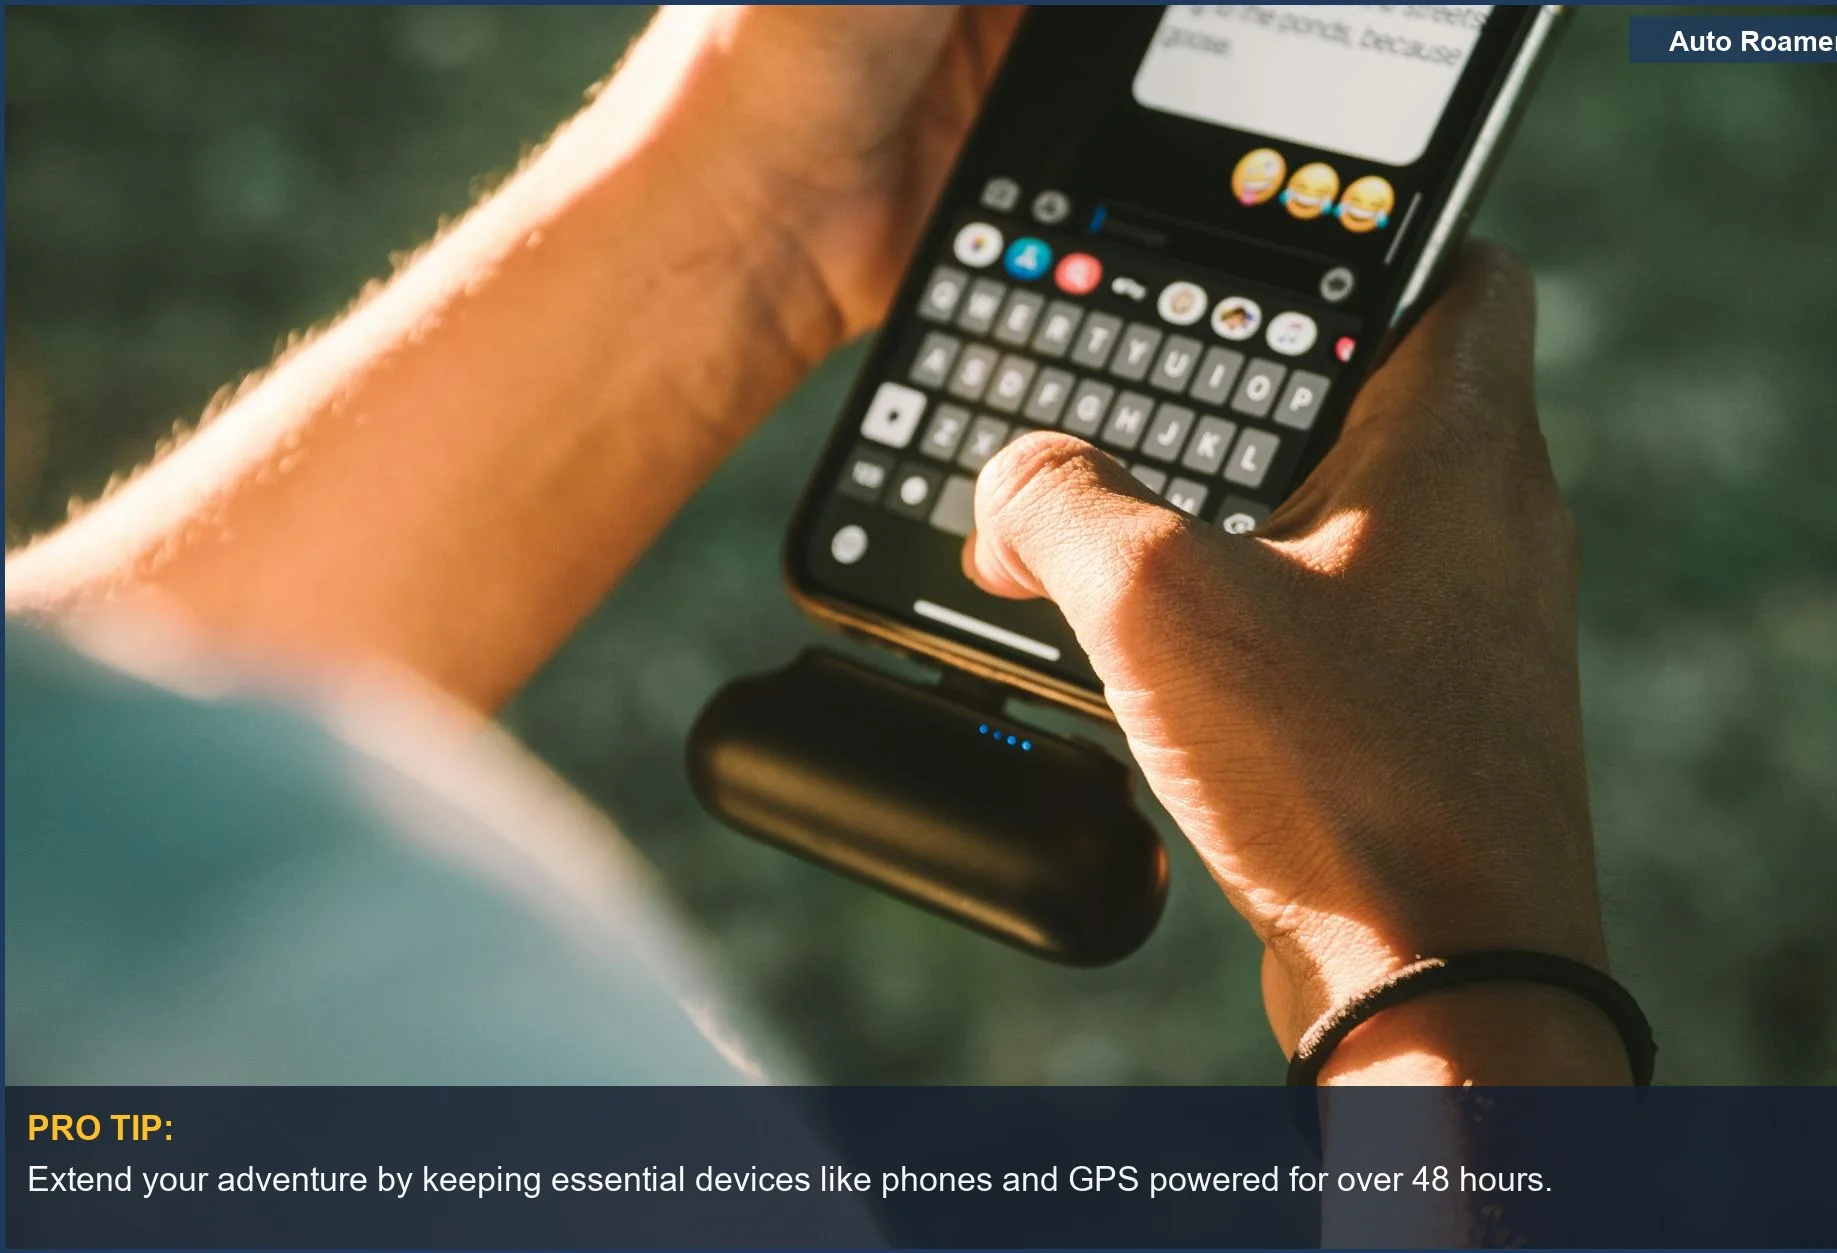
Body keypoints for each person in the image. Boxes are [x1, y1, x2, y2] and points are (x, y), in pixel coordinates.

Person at [5, 6, 1628, 1087]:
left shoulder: (134, 898)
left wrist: (744, 210)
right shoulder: (361, 997)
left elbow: (89, 780)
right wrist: (1463, 966)